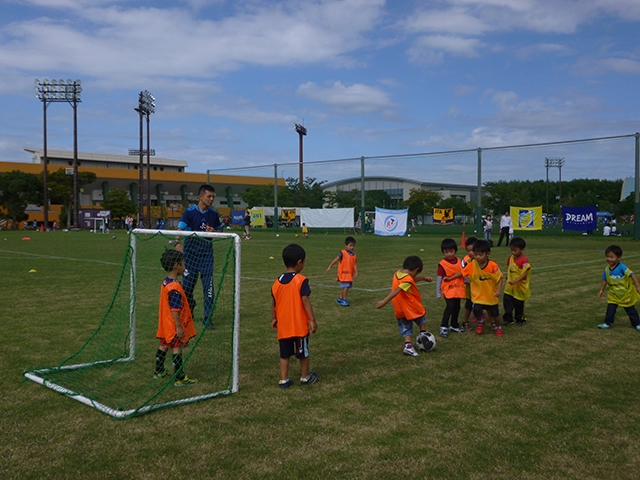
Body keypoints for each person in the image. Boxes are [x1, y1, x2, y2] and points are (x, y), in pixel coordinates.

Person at [271, 244, 318, 389]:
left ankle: (284, 380)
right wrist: (312, 320)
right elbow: (305, 300)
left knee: (284, 354)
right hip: (298, 326)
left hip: (284, 327)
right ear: (299, 262)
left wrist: (274, 318)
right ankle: (304, 377)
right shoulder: (301, 280)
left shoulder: (276, 282)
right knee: (303, 353)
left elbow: (274, 302)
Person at [176, 184, 222, 330]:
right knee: (187, 288)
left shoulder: (213, 214)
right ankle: (190, 307)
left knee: (208, 287)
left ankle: (208, 319)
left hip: (207, 256)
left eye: (213, 196)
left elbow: (220, 232)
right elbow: (180, 228)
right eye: (209, 196)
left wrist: (213, 231)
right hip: (190, 256)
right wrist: (177, 241)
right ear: (200, 196)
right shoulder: (190, 212)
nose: (211, 199)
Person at [154, 249, 198, 386]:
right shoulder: (175, 287)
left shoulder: (166, 282)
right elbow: (175, 309)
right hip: (173, 325)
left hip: (165, 324)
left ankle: (159, 371)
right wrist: (179, 326)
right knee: (176, 348)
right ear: (176, 265)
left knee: (163, 345)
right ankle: (179, 378)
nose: (185, 265)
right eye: (183, 263)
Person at [376, 256, 433, 356]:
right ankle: (421, 336)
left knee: (406, 326)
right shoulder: (407, 280)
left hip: (400, 309)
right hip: (411, 308)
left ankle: (410, 345)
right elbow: (397, 290)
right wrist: (384, 301)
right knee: (420, 319)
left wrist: (423, 278)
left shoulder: (398, 273)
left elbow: (411, 279)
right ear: (416, 270)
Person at [451, 239, 504, 336]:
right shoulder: (472, 264)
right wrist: (450, 277)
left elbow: (499, 278)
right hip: (478, 295)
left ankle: (498, 327)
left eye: (480, 255)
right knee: (476, 309)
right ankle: (480, 321)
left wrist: (498, 290)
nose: (478, 257)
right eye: (476, 254)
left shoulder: (493, 265)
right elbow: (462, 272)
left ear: (488, 254)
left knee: (495, 314)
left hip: (491, 296)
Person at [597, 245, 640, 330]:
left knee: (631, 310)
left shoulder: (622, 267)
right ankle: (607, 323)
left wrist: (638, 285)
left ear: (619, 258)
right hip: (614, 295)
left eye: (612, 257)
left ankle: (637, 324)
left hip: (625, 295)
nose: (609, 259)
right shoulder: (606, 269)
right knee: (610, 310)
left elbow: (632, 274)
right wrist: (601, 290)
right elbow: (605, 280)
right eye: (607, 256)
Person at [436, 238, 466, 337]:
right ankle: (443, 326)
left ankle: (454, 324)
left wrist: (466, 281)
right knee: (450, 307)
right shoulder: (442, 264)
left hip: (458, 289)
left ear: (455, 251)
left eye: (451, 251)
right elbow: (439, 278)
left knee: (457, 307)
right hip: (448, 290)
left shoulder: (459, 261)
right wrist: (438, 292)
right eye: (446, 252)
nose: (449, 254)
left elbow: (463, 272)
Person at [501, 237, 531, 327]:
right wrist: (507, 278)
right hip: (510, 285)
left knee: (518, 303)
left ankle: (519, 319)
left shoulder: (524, 260)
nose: (513, 252)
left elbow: (525, 273)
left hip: (519, 286)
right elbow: (509, 268)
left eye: (515, 250)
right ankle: (508, 318)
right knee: (507, 301)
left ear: (522, 249)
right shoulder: (511, 258)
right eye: (512, 250)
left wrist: (516, 281)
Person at [326, 236, 358, 306]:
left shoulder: (354, 255)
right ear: (345, 245)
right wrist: (330, 266)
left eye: (353, 246)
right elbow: (336, 260)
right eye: (350, 245)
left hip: (349, 275)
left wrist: (356, 272)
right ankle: (344, 299)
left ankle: (340, 299)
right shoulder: (342, 253)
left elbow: (354, 264)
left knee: (345, 286)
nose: (352, 247)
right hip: (343, 274)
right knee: (346, 286)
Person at [461, 236, 478, 331]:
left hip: (480, 288)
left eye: (472, 250)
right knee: (468, 305)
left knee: (486, 305)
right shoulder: (467, 261)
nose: (470, 253)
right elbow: (463, 272)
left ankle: (493, 323)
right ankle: (465, 322)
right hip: (470, 289)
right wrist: (466, 280)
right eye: (468, 251)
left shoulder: (481, 260)